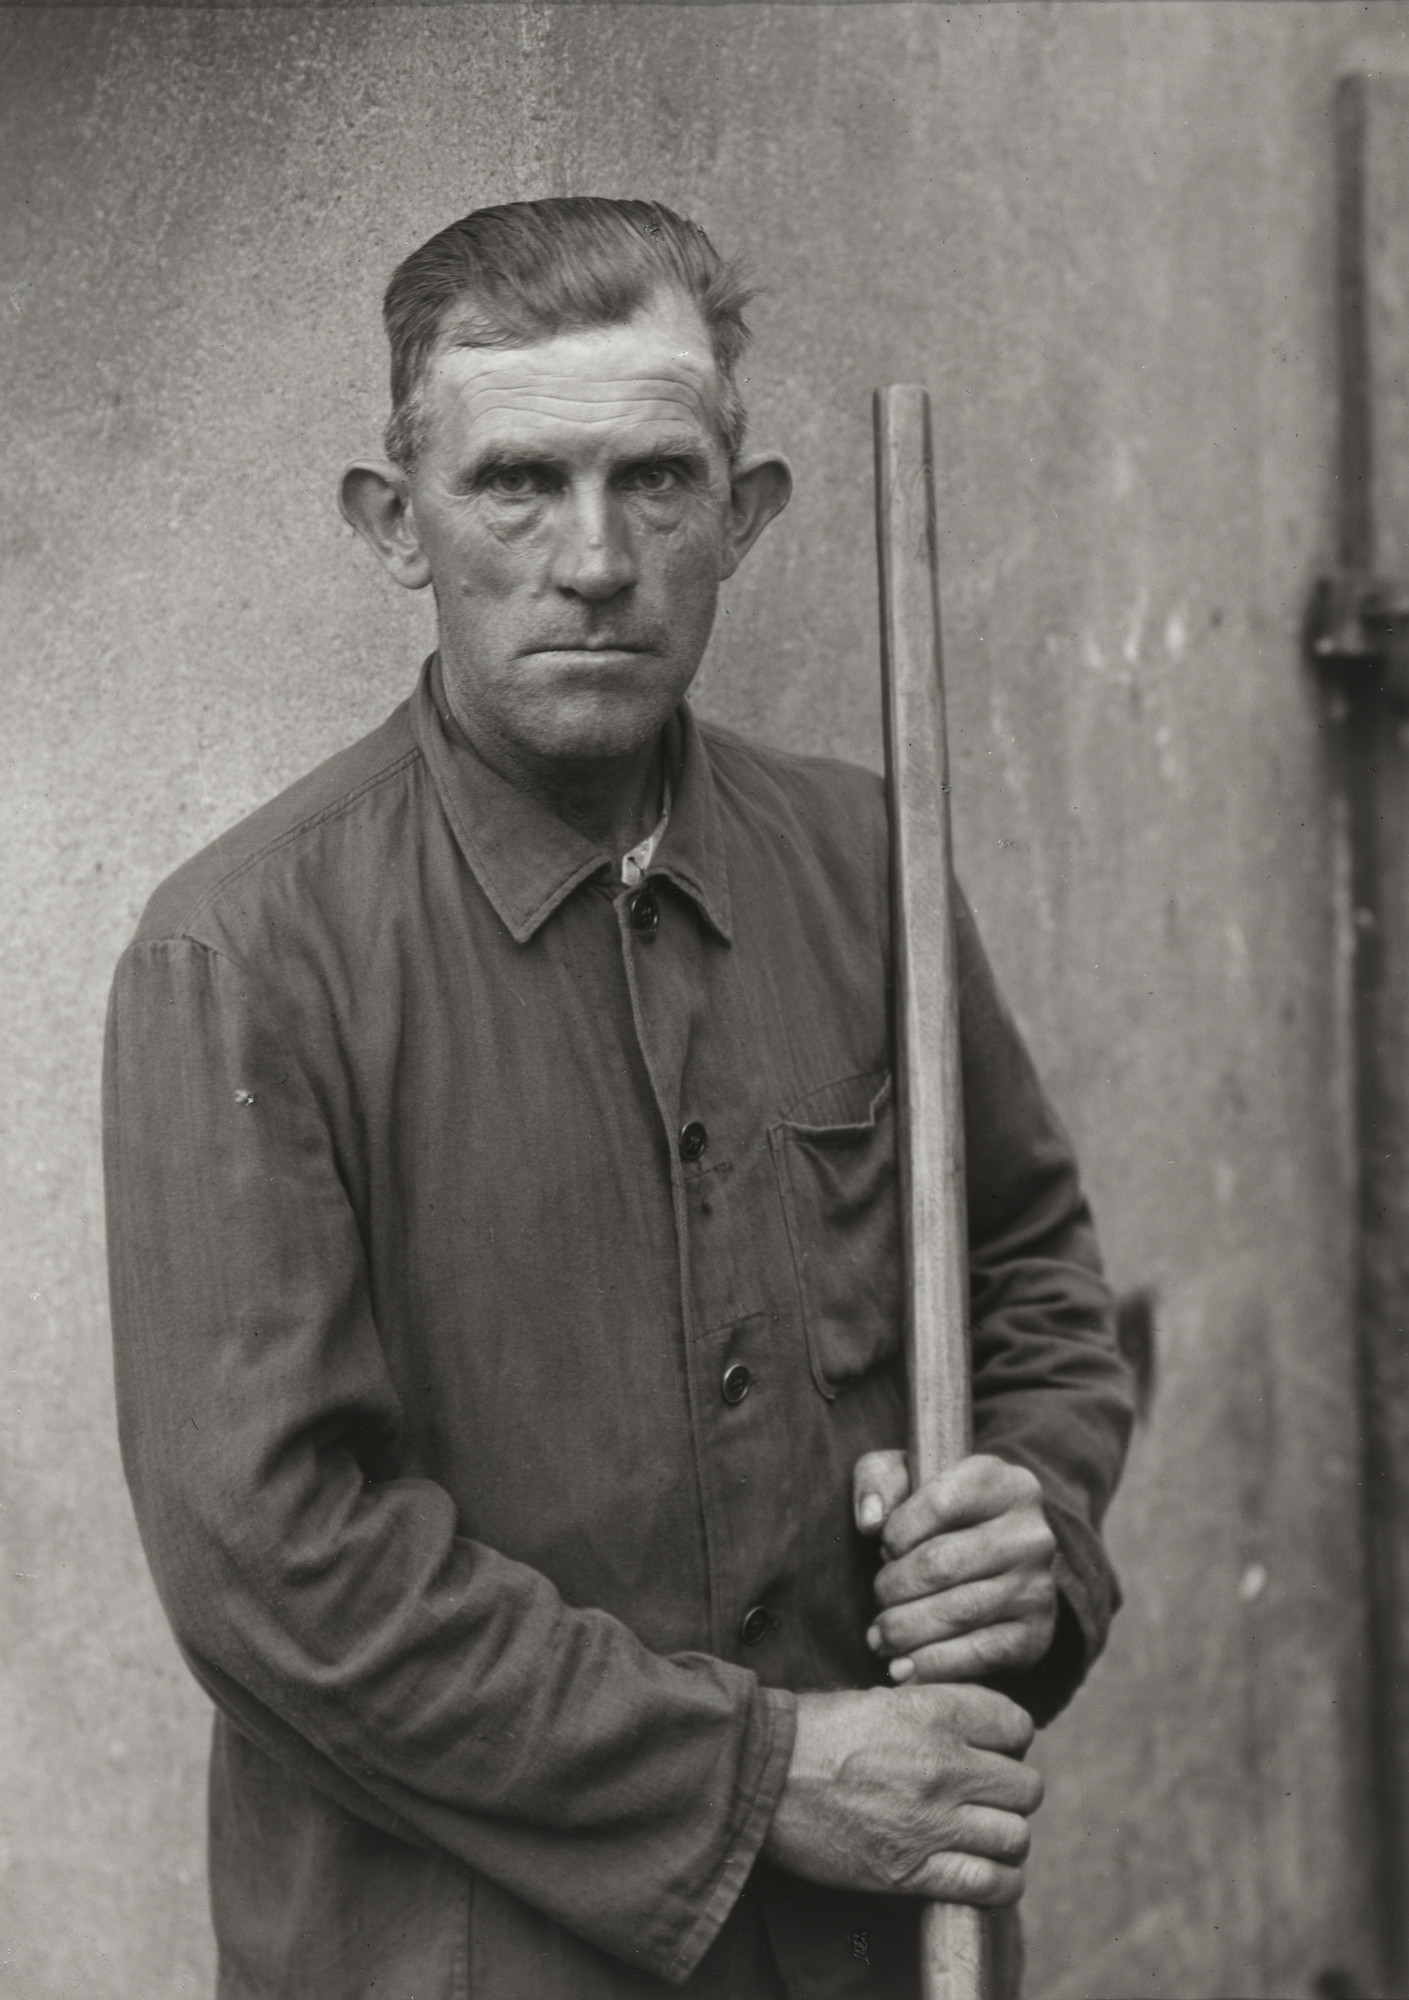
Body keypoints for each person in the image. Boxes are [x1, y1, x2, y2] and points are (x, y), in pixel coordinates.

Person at [103, 197, 1133, 2000]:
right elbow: (273, 1563)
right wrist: (761, 1779)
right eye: (516, 482)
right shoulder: (246, 953)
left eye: (657, 481)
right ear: (391, 526)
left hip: (881, 1950)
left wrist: (1025, 1534)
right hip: (468, 1961)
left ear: (746, 515)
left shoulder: (866, 862)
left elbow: (1033, 1275)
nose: (593, 559)